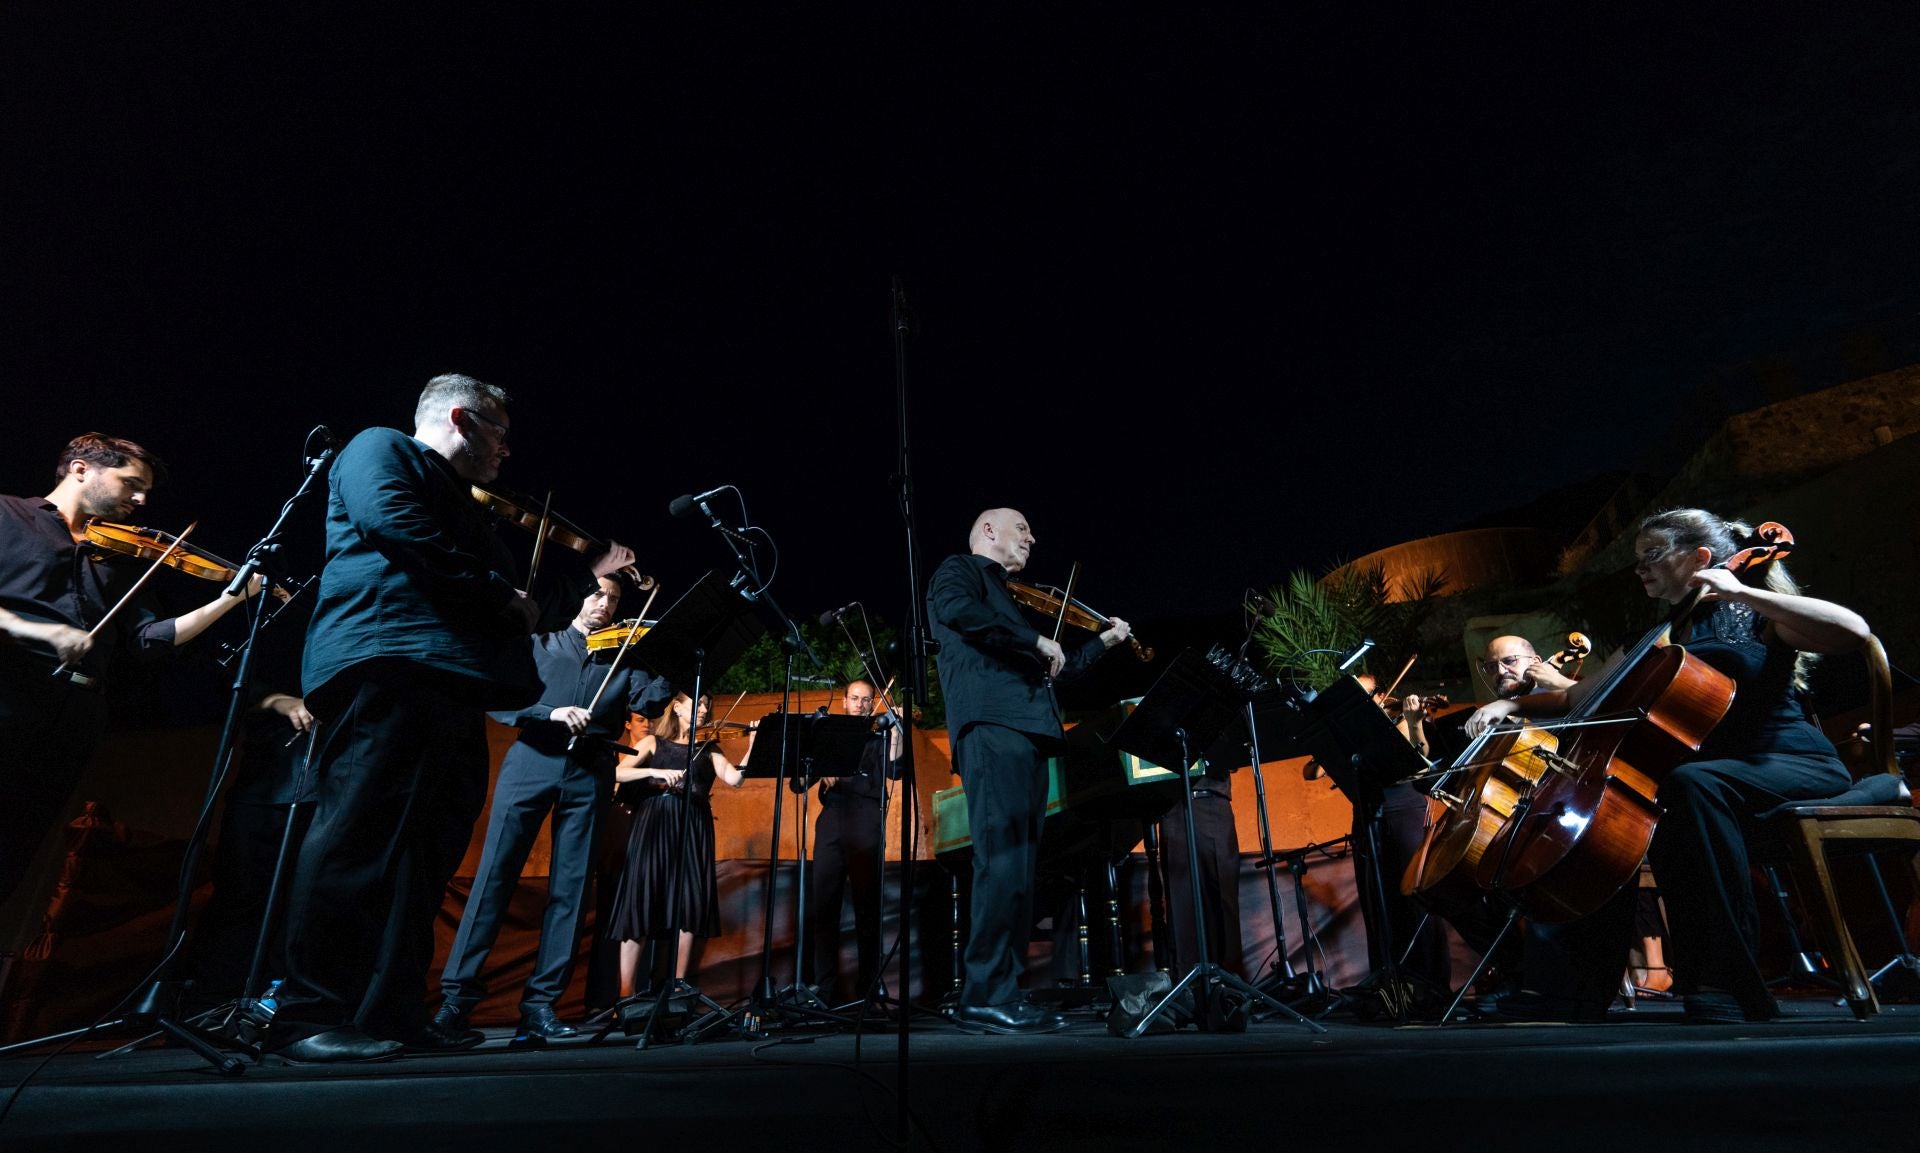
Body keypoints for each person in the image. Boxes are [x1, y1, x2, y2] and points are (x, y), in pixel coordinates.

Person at [1463, 508, 1870, 1023]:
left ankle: (1722, 982)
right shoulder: (1654, 636)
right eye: (1637, 560)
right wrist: (1513, 705)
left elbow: (1853, 631)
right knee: (1610, 819)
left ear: (1700, 557)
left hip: (1788, 762)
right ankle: (1571, 990)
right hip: (1704, 782)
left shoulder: (1755, 616)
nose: (1639, 569)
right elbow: (1581, 698)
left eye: (1651, 555)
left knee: (1686, 785)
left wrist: (1741, 591)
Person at [267, 373, 544, 1064]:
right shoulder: (379, 447)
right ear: (463, 418)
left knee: (425, 857)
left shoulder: (465, 501)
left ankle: (393, 1008)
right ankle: (305, 1014)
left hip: (448, 683)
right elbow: (394, 522)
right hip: (387, 663)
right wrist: (496, 592)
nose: (506, 451)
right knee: (355, 836)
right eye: (501, 434)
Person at [1, 433, 264, 911]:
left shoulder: (120, 558)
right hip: (9, 690)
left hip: (73, 716)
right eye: (131, 484)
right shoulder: (6, 515)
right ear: (81, 469)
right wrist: (39, 632)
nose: (141, 500)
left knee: (15, 848)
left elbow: (149, 640)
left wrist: (230, 599)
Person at [434, 572, 669, 1044]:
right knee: (495, 876)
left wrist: (667, 661)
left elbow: (651, 703)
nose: (605, 603)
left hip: (592, 768)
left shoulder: (625, 655)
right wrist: (551, 714)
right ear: (580, 596)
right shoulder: (540, 644)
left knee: (573, 888)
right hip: (532, 760)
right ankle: (455, 1001)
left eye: (615, 599)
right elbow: (501, 701)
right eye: (598, 593)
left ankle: (539, 1008)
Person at [927, 507, 1131, 1036]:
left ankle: (1004, 991)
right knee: (1001, 861)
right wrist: (1034, 640)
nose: (1032, 538)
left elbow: (1050, 673)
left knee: (1020, 866)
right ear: (989, 530)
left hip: (1027, 731)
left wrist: (1101, 643)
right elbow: (955, 611)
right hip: (992, 727)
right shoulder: (960, 572)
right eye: (1023, 528)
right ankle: (983, 995)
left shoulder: (1009, 607)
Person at [607, 691, 746, 997]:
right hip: (655, 820)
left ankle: (679, 986)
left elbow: (735, 780)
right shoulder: (653, 743)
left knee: (688, 899)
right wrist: (654, 770)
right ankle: (625, 994)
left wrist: (753, 746)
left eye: (707, 706)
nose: (704, 710)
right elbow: (616, 772)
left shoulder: (708, 748)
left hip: (693, 824)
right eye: (697, 704)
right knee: (641, 899)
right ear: (677, 707)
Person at [800, 678, 903, 1006]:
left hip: (867, 823)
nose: (859, 704)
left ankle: (869, 991)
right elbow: (798, 783)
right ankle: (824, 991)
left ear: (873, 703)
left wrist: (897, 730)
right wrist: (817, 763)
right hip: (831, 825)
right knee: (824, 908)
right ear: (843, 701)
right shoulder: (828, 735)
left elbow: (895, 770)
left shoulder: (878, 736)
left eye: (866, 700)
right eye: (854, 698)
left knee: (867, 910)